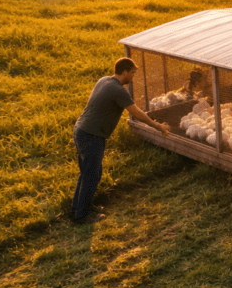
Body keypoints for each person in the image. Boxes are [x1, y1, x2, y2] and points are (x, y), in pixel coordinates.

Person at [71, 57, 170, 224]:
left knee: (87, 173)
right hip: (91, 135)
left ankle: (79, 207)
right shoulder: (118, 91)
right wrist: (157, 126)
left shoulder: (104, 80)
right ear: (124, 72)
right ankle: (81, 216)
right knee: (91, 175)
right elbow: (137, 113)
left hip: (81, 129)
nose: (133, 77)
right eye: (132, 73)